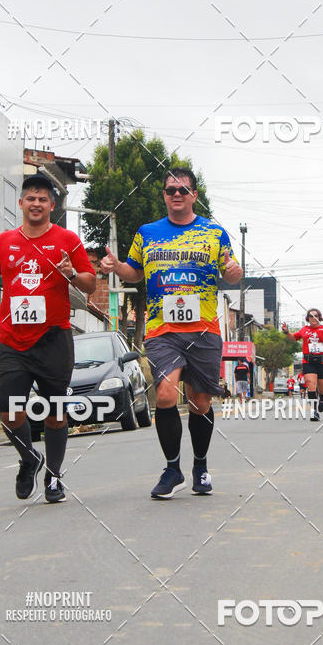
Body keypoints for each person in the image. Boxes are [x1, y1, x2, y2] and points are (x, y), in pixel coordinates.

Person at [100, 167, 242, 499]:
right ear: (164, 195)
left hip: (203, 330)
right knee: (164, 395)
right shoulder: (147, 233)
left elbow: (232, 274)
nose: (176, 195)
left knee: (199, 402)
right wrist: (116, 266)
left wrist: (235, 270)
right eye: (170, 190)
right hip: (161, 330)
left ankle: (200, 467)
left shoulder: (214, 233)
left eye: (183, 190)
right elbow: (134, 273)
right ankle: (172, 468)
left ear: (194, 195)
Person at [0, 174, 96, 503]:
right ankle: (29, 459)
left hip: (53, 339)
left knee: (55, 413)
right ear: (21, 203)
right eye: (31, 198)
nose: (36, 204)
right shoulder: (5, 241)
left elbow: (90, 283)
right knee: (10, 414)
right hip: (12, 340)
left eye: (42, 199)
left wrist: (71, 273)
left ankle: (54, 477)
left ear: (51, 205)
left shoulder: (67, 240)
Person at [282, 309, 323, 421]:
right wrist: (287, 332)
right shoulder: (304, 330)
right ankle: (314, 411)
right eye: (311, 316)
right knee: (311, 385)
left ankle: (322, 398)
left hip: (322, 362)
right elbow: (293, 338)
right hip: (308, 361)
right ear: (308, 318)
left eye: (316, 316)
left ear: (319, 317)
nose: (314, 318)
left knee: (322, 388)